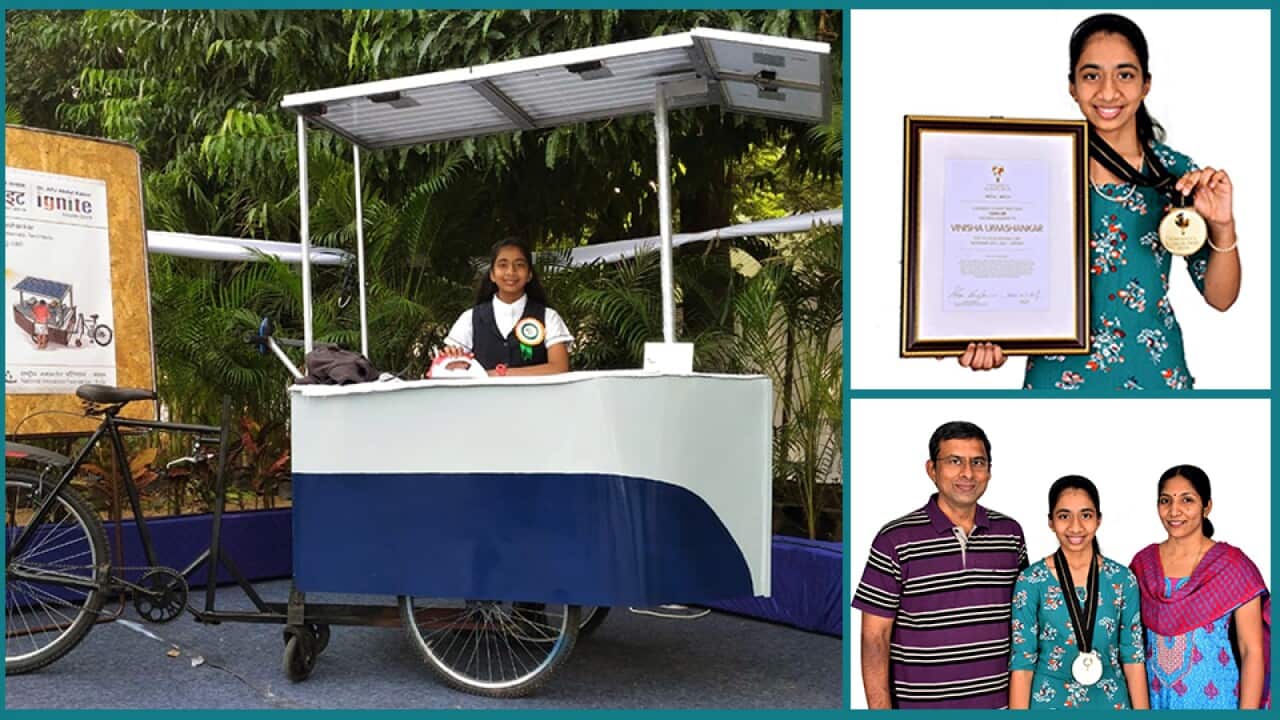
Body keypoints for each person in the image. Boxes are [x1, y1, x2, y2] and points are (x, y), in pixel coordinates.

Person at [963, 13, 1241, 390]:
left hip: (1156, 378)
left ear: (1146, 84)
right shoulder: (1034, 169)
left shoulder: (1175, 174)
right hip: (1057, 380)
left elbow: (1221, 299)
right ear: (1072, 86)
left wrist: (1223, 226)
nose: (1108, 92)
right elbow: (997, 262)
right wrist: (987, 332)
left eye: (1125, 75)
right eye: (1091, 75)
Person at [853, 421, 1027, 709]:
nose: (967, 473)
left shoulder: (1010, 534)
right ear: (932, 469)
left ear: (989, 471)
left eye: (978, 462)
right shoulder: (894, 540)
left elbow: (1023, 625)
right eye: (954, 461)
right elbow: (875, 636)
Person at [1129, 465, 1269, 709]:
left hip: (1218, 701)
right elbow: (1131, 645)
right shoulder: (1143, 565)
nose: (1174, 511)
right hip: (1155, 700)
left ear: (1207, 506)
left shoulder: (1233, 567)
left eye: (1187, 500)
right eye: (1165, 501)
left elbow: (1251, 651)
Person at [1009, 475, 1148, 709]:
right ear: (1051, 522)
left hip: (1111, 704)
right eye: (1064, 516)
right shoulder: (1031, 581)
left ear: (1099, 519)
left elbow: (1133, 658)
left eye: (1086, 515)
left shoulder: (1123, 579)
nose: (1076, 526)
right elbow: (1022, 664)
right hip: (1049, 704)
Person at [436, 237, 573, 377]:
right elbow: (449, 369)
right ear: (492, 275)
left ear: (529, 274)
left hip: (534, 398)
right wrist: (452, 358)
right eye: (503, 265)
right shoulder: (469, 318)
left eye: (519, 265)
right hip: (484, 399)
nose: (511, 272)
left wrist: (497, 374)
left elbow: (559, 368)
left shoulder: (548, 317)